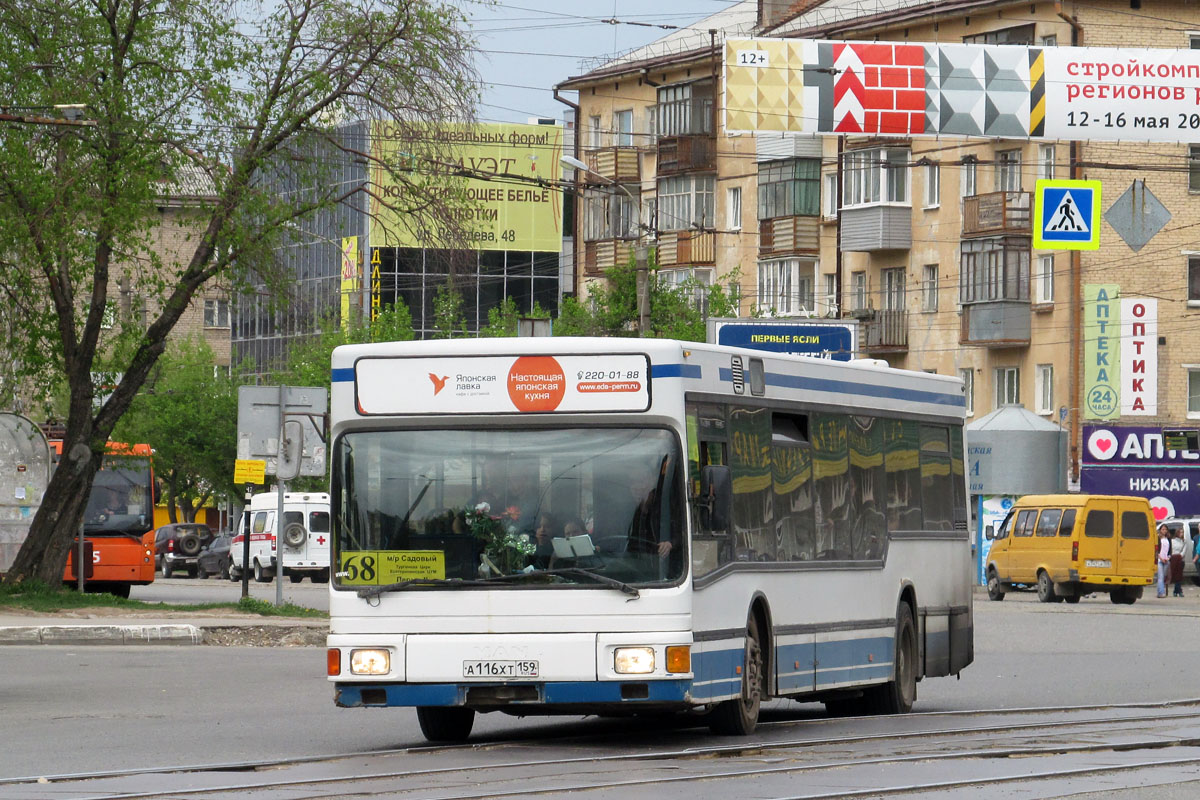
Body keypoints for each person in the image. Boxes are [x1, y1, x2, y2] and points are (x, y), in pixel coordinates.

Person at [1170, 526, 1186, 598]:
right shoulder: (1173, 541)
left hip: (1180, 559)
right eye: (1180, 532)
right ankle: (1178, 591)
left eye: (1182, 532)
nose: (1181, 534)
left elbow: (1184, 550)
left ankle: (1177, 591)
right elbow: (1171, 550)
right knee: (1175, 575)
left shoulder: (1184, 541)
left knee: (1179, 576)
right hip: (1174, 559)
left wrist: (1180, 556)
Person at [1156, 524, 1171, 598]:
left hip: (1166, 559)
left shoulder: (1168, 538)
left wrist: (1168, 558)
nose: (1164, 531)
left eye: (1165, 529)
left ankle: (1159, 590)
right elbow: (1156, 551)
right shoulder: (1158, 538)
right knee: (1160, 576)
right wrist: (1161, 558)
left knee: (1164, 577)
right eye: (1163, 529)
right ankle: (1161, 592)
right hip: (1159, 560)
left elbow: (1170, 550)